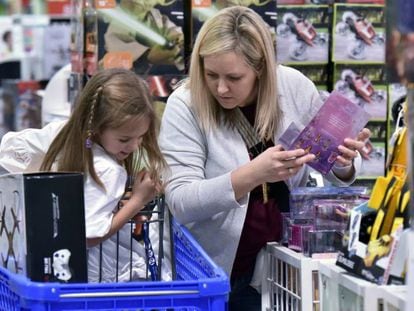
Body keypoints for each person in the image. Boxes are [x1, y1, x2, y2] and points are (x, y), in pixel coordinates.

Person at [158, 6, 370, 311]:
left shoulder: (293, 86)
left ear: (260, 70)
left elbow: (337, 167)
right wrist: (253, 174)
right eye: (210, 75)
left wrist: (343, 161)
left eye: (234, 77)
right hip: (217, 272)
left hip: (283, 266)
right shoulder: (186, 104)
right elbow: (181, 200)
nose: (220, 87)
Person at [0, 68, 167, 283]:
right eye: (124, 139)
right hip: (91, 272)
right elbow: (90, 236)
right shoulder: (109, 171)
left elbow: (10, 150)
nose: (134, 146)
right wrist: (137, 201)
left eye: (141, 137)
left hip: (45, 256)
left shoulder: (63, 133)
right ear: (96, 127)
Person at [102, 0, 184, 74]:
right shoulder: (116, 22)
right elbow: (116, 47)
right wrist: (147, 56)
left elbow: (174, 32)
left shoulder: (156, 16)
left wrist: (179, 39)